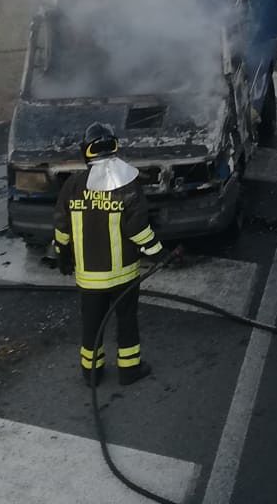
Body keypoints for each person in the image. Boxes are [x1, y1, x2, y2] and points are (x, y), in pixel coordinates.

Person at [52, 122, 166, 387]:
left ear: (86, 151)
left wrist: (62, 254)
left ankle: (91, 374)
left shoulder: (73, 185)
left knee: (91, 325)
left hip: (89, 279)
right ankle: (129, 370)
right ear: (115, 148)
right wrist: (160, 254)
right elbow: (138, 230)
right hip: (123, 276)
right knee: (126, 322)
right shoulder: (127, 186)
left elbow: (61, 225)